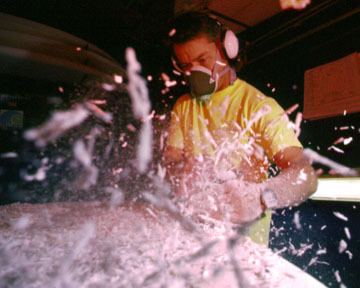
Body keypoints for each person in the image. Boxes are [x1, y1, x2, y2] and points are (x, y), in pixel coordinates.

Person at [162, 11, 317, 245]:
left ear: (227, 50)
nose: (194, 72)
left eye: (203, 60)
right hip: (195, 224)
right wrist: (180, 174)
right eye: (186, 65)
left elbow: (306, 176)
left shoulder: (258, 106)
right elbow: (170, 161)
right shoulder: (183, 106)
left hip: (245, 235)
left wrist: (260, 196)